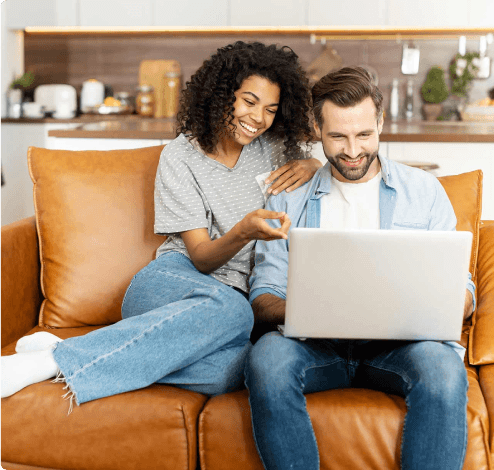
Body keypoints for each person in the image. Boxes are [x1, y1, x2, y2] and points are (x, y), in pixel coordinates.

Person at [1, 41, 323, 408]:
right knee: (236, 313)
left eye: (270, 109)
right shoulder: (180, 157)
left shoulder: (274, 147)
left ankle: (75, 348)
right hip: (173, 283)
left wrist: (315, 167)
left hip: (222, 313)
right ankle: (51, 362)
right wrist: (243, 231)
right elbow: (201, 257)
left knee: (232, 369)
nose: (258, 118)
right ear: (222, 95)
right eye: (249, 102)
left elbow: (327, 173)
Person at [245, 67, 476, 470]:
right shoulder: (289, 198)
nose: (352, 150)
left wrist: (448, 305)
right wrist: (316, 310)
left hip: (399, 351)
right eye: (337, 136)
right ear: (317, 130)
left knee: (442, 369)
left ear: (381, 123)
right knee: (267, 359)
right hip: (317, 349)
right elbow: (263, 296)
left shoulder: (423, 191)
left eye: (364, 135)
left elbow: (464, 291)